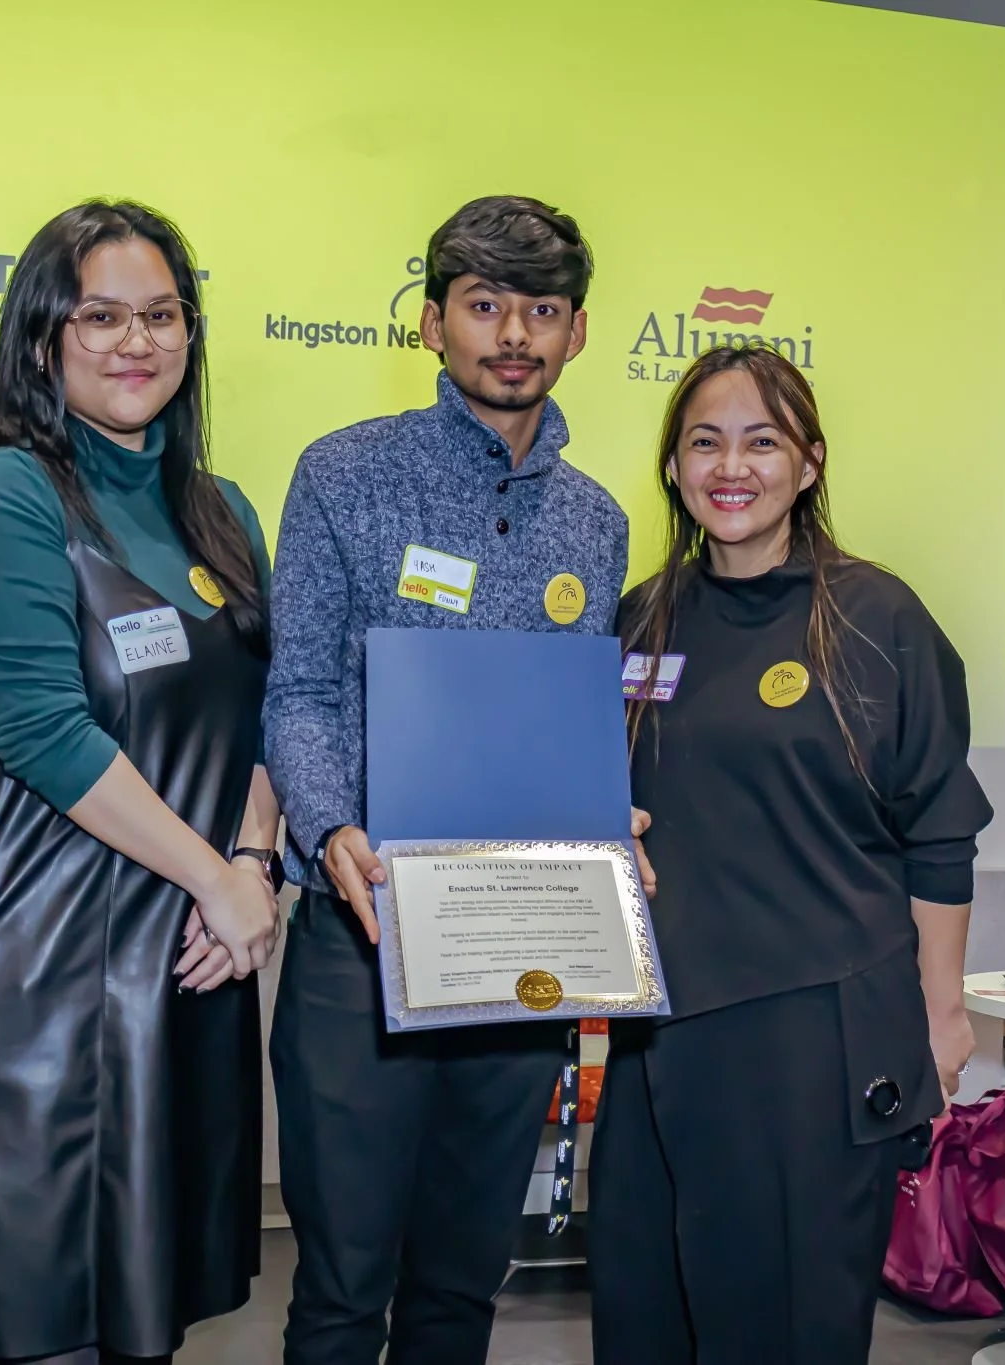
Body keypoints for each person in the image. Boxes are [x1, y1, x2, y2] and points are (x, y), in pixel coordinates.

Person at [263, 194, 629, 1365]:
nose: (512, 334)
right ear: (430, 323)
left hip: (513, 950)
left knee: (462, 1289)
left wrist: (601, 819)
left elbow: (569, 725)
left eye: (541, 310)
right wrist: (329, 826)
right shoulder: (342, 474)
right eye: (483, 305)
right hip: (360, 929)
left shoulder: (597, 523)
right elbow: (297, 689)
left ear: (576, 331)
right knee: (340, 1291)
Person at [0, 200, 280, 1365]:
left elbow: (267, 711)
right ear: (42, 338)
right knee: (57, 1316)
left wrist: (252, 863)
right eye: (102, 317)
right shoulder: (2, 494)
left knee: (150, 1306)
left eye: (162, 316)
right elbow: (42, 733)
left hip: (191, 952)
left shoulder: (219, 509)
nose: (138, 342)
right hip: (54, 964)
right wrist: (216, 881)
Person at [589, 344, 992, 1364]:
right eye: (705, 442)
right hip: (657, 1032)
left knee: (775, 1331)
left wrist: (942, 1015)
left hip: (811, 1038)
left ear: (808, 463)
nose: (731, 466)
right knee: (643, 1318)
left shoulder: (877, 617)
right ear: (673, 465)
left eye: (761, 442)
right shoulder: (640, 618)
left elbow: (939, 832)